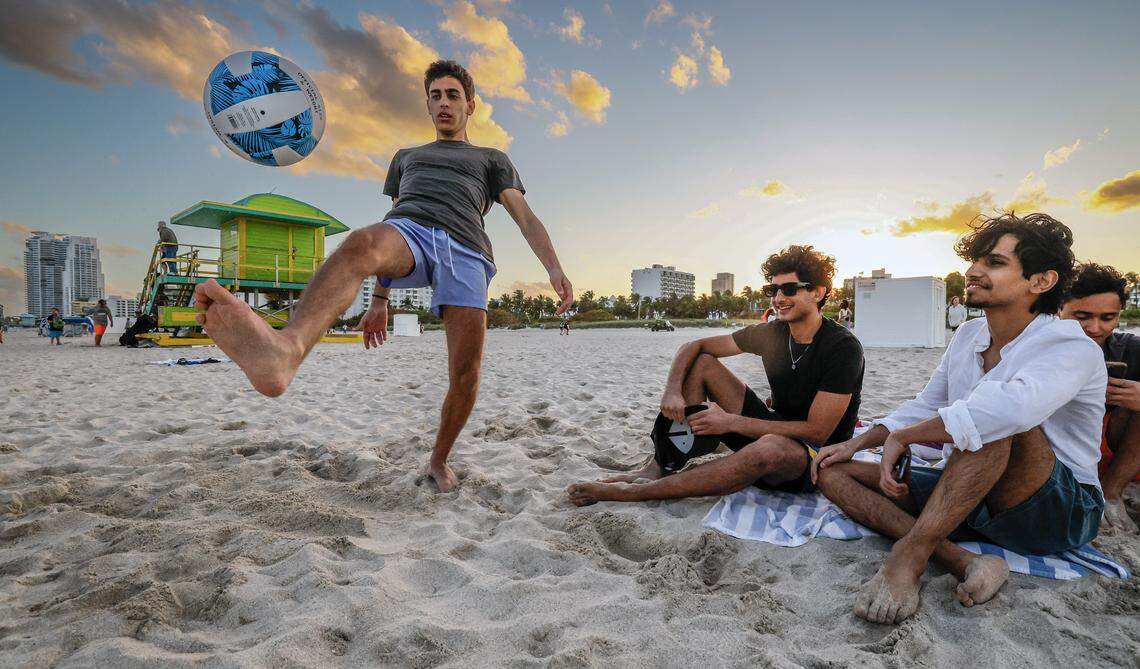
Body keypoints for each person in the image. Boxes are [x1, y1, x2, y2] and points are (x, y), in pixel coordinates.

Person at [193, 60, 573, 492]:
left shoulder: (491, 158)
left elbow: (524, 216)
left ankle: (439, 458)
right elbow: (392, 217)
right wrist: (380, 300)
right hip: (410, 229)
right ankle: (285, 349)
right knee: (361, 242)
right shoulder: (406, 157)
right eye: (435, 96)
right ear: (428, 106)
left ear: (471, 105)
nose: (444, 103)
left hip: (466, 249)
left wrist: (554, 268)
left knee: (465, 373)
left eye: (452, 95)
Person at [813, 213, 1105, 625]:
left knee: (993, 423)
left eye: (994, 263)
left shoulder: (1069, 345)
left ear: (1040, 281)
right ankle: (964, 559)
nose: (973, 271)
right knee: (832, 470)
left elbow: (1007, 412)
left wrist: (908, 437)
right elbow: (927, 403)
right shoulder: (969, 335)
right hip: (974, 493)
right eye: (976, 261)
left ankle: (910, 556)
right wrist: (860, 442)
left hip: (1060, 512)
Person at [567, 245, 864, 506]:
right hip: (773, 425)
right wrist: (672, 391)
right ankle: (664, 462)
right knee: (704, 363)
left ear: (819, 292)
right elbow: (694, 345)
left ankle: (638, 493)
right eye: (772, 290)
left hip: (818, 457)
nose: (777, 298)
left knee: (769, 447)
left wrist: (730, 421)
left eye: (789, 289)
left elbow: (816, 432)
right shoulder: (773, 334)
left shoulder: (842, 348)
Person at [1060, 263, 1140, 534]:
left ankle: (1111, 495)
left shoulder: (1128, 348)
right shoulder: (1039, 349)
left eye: (1108, 317)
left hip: (1116, 451)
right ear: (1059, 309)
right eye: (1082, 316)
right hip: (1058, 449)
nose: (1095, 328)